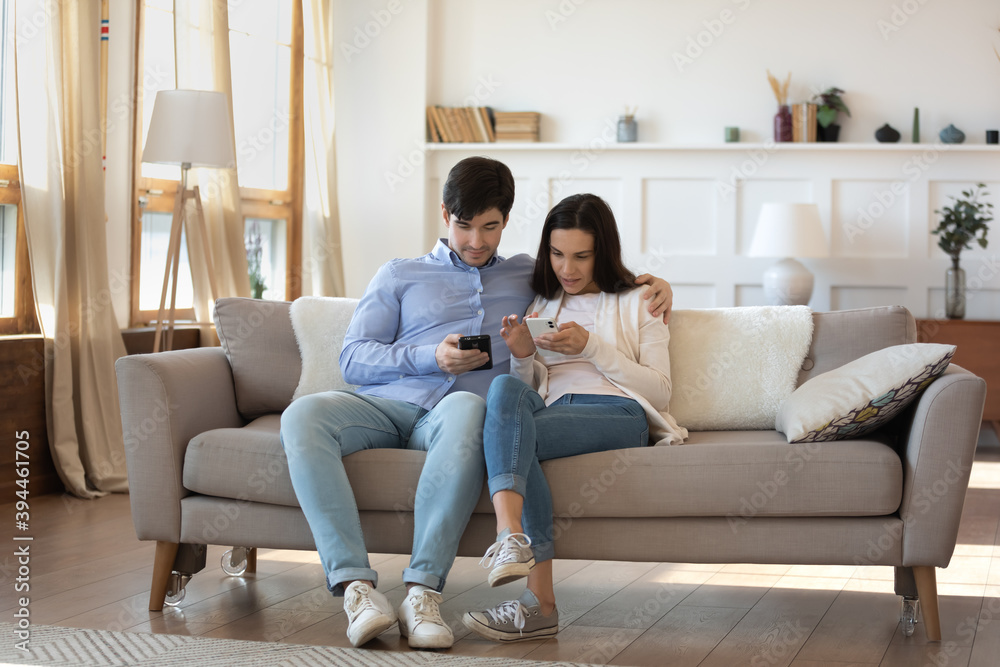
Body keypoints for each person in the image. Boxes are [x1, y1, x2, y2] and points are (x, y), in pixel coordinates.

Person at [280, 158, 674, 650]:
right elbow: (353, 360)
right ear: (445, 214)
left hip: (458, 416)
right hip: (387, 404)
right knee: (302, 415)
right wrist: (430, 357)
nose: (476, 241)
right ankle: (357, 588)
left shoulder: (533, 280)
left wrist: (654, 284)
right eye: (464, 226)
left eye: (489, 227)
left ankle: (423, 592)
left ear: (506, 220)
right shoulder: (400, 274)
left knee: (476, 408)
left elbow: (589, 280)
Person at [462, 193, 687, 643]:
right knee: (506, 391)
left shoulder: (641, 300)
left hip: (618, 411)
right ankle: (515, 546)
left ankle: (538, 602)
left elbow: (660, 392)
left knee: (513, 441)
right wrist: (524, 356)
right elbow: (527, 393)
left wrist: (591, 348)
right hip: (552, 412)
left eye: (582, 256)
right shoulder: (543, 305)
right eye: (558, 254)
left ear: (603, 251)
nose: (568, 269)